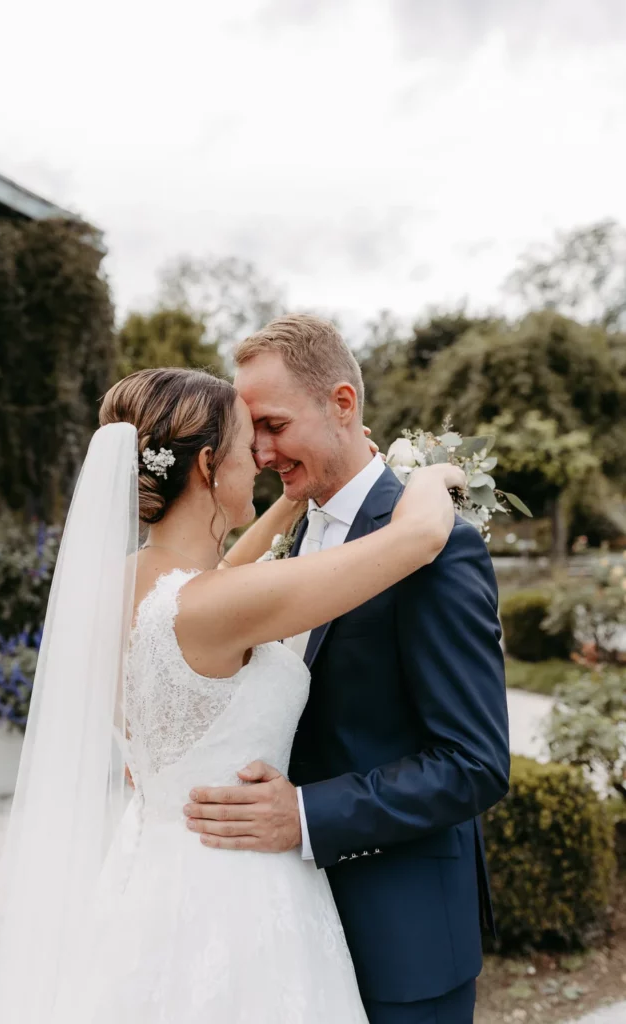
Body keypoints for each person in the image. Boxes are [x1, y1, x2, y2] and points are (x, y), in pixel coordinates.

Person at [0, 365, 465, 1024]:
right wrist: (430, 477)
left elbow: (220, 574)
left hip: (150, 875)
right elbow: (419, 539)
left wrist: (289, 502)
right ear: (207, 465)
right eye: (244, 446)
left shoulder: (122, 586)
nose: (260, 459)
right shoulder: (215, 607)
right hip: (238, 893)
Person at [185, 315, 510, 1024]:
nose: (260, 451)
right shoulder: (298, 530)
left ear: (341, 404)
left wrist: (302, 814)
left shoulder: (434, 546)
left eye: (272, 425)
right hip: (285, 931)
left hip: (402, 937)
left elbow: (474, 763)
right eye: (251, 433)